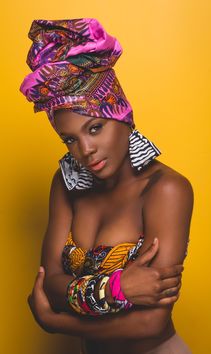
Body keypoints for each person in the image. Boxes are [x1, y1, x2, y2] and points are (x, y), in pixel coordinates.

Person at [20, 18, 194, 354]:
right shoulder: (66, 183)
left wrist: (55, 321)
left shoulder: (166, 190)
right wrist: (119, 288)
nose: (84, 151)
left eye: (95, 128)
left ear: (122, 115)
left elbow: (152, 322)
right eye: (70, 139)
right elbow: (50, 282)